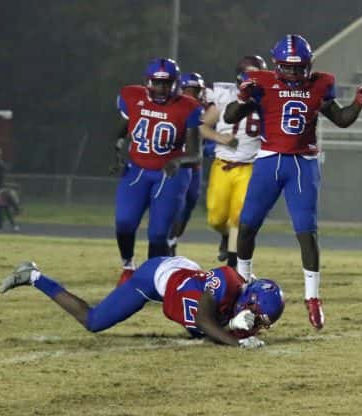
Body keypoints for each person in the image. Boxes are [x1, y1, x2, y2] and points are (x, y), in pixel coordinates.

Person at [224, 34, 362, 329]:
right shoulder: (261, 82)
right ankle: (243, 282)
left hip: (303, 165)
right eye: (288, 68)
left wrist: (357, 104)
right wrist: (242, 97)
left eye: (299, 67)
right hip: (269, 160)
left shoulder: (320, 83)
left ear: (309, 65)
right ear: (277, 65)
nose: (294, 74)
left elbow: (342, 119)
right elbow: (231, 116)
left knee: (307, 233)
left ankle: (313, 297)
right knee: (247, 226)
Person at [0, 257, 285, 348]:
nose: (257, 324)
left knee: (208, 330)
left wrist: (233, 326)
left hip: (186, 280)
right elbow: (203, 321)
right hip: (156, 276)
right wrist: (236, 339)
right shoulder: (226, 281)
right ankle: (33, 276)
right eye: (257, 315)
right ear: (249, 298)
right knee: (94, 321)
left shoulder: (239, 298)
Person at [112, 58, 204, 286]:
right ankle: (128, 266)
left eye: (167, 83)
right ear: (147, 82)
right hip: (138, 169)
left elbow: (196, 154)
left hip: (169, 173)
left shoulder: (188, 107)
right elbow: (123, 130)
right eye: (157, 83)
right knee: (124, 222)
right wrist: (117, 150)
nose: (162, 88)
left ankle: (152, 279)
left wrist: (178, 161)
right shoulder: (131, 97)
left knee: (158, 233)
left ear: (175, 83)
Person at [204, 56, 266, 268]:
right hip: (222, 164)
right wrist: (220, 138)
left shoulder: (267, 97)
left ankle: (232, 267)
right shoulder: (224, 96)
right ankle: (225, 237)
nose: (253, 79)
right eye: (249, 75)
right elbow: (202, 125)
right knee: (215, 218)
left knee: (239, 219)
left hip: (250, 166)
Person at [166, 72, 214, 256]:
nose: (191, 95)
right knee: (173, 205)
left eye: (195, 91)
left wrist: (210, 149)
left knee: (189, 205)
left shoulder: (204, 112)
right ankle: (167, 241)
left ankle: (173, 239)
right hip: (175, 165)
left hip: (194, 168)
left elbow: (209, 138)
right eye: (187, 90)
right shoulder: (173, 108)